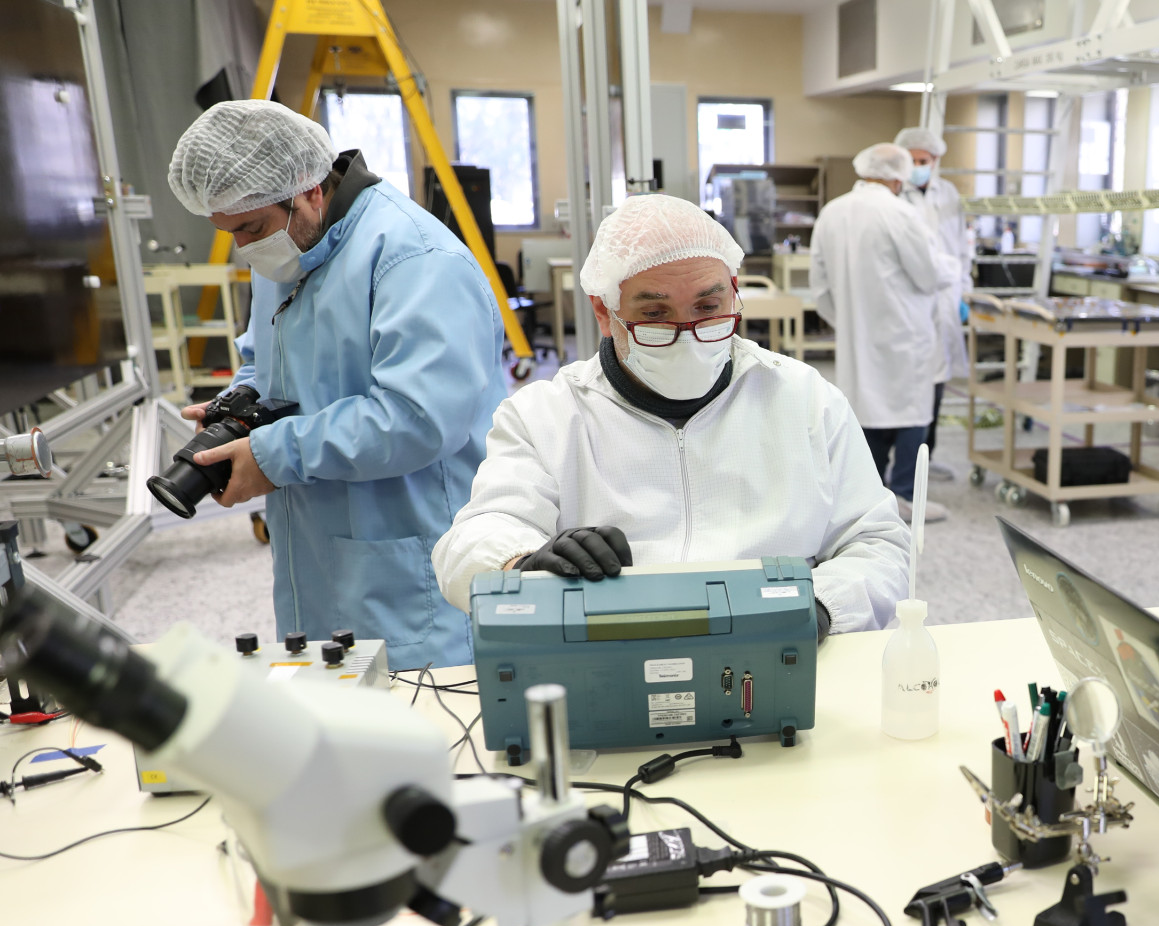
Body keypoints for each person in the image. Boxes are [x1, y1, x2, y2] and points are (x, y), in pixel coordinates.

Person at [431, 194, 911, 637]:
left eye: (708, 306)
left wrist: (819, 607)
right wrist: (521, 564)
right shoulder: (546, 415)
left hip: (777, 650)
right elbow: (472, 539)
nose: (688, 334)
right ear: (604, 312)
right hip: (609, 654)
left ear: (734, 293)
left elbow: (877, 543)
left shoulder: (804, 400)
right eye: (656, 315)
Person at [167, 100, 508, 670]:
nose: (244, 246)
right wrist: (238, 408)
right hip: (316, 555)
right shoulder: (286, 246)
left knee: (422, 719)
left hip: (409, 566)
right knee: (334, 700)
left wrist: (274, 454)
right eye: (227, 231)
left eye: (250, 228)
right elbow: (263, 358)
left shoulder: (415, 260)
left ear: (309, 192)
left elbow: (418, 419)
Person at [812, 142, 960, 521]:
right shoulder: (900, 213)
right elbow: (928, 274)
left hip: (856, 335)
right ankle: (905, 498)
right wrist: (953, 267)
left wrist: (849, 321)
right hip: (904, 333)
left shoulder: (832, 212)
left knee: (866, 411)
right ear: (899, 178)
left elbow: (820, 287)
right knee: (911, 411)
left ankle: (868, 497)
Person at [895, 126, 973, 483]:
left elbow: (961, 248)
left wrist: (963, 293)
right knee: (909, 383)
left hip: (946, 298)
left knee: (938, 383)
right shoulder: (897, 194)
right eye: (911, 160)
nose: (917, 166)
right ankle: (904, 463)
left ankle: (928, 457)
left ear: (936, 160)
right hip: (911, 300)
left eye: (923, 160)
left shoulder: (949, 194)